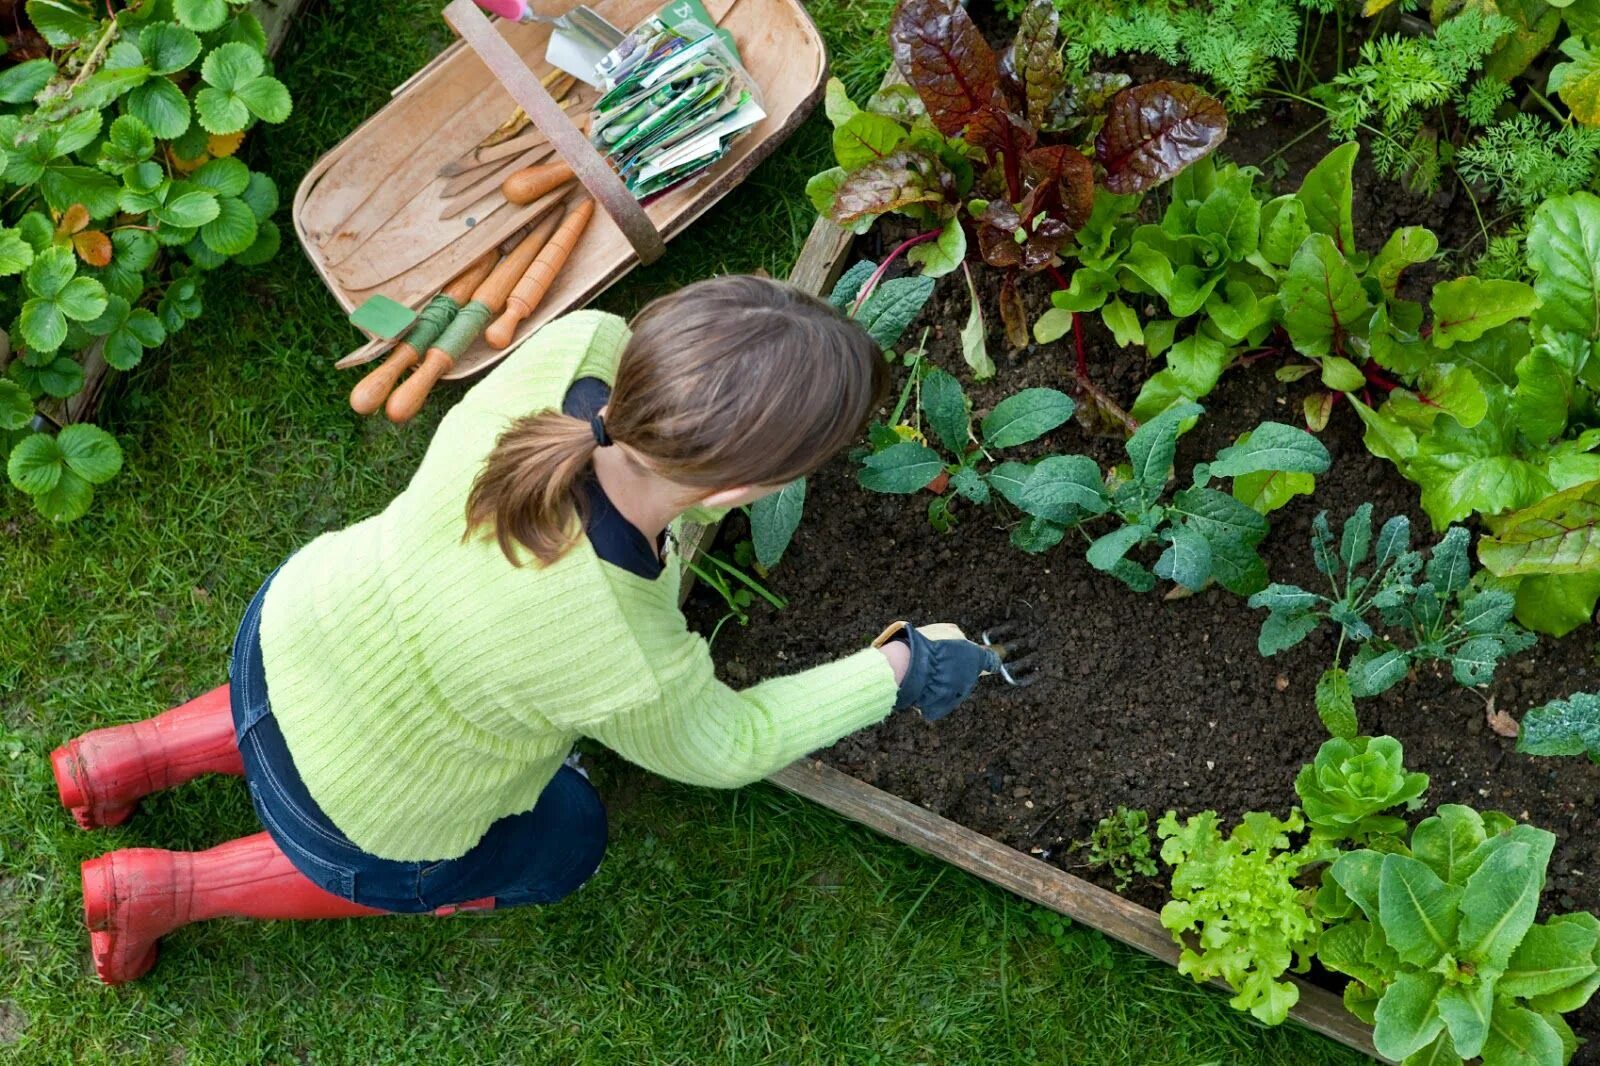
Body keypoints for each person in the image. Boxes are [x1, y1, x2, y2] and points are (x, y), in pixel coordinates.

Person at [52, 274, 1005, 985]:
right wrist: (899, 668)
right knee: (565, 840)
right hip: (354, 815)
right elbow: (731, 744)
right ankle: (165, 891)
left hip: (292, 630)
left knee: (349, 686)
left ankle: (124, 758)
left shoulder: (576, 349)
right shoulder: (625, 653)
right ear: (739, 494)